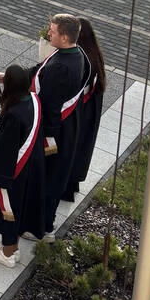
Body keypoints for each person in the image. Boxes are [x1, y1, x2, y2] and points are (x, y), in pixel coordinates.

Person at [0, 65, 46, 268]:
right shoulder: (35, 100)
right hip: (32, 168)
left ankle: (7, 253)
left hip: (14, 173)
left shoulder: (14, 116)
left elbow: (4, 151)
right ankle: (13, 248)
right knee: (20, 208)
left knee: (9, 210)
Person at [32, 15, 91, 237]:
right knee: (53, 176)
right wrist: (9, 76)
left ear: (65, 37)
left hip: (54, 134)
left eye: (53, 31)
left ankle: (41, 227)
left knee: (48, 178)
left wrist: (43, 136)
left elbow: (49, 105)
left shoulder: (61, 68)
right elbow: (40, 70)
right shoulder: (76, 54)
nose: (49, 33)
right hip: (66, 127)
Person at [62, 19, 106, 201]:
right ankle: (71, 185)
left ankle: (65, 187)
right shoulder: (94, 55)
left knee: (69, 150)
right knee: (79, 150)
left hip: (79, 112)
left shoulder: (83, 62)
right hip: (88, 112)